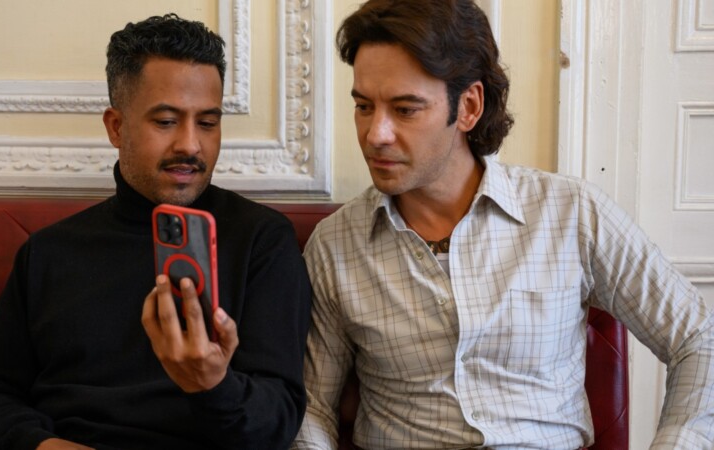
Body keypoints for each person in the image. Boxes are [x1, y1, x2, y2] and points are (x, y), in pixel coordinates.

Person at [292, 0, 714, 448]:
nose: (375, 134)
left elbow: (697, 337)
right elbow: (311, 406)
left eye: (405, 109)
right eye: (363, 106)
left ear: (469, 106)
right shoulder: (336, 245)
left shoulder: (573, 214)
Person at [0, 14, 311, 449]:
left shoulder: (261, 240)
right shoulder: (49, 251)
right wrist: (44, 446)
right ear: (116, 126)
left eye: (207, 122)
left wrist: (212, 384)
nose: (190, 145)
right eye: (165, 121)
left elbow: (277, 423)